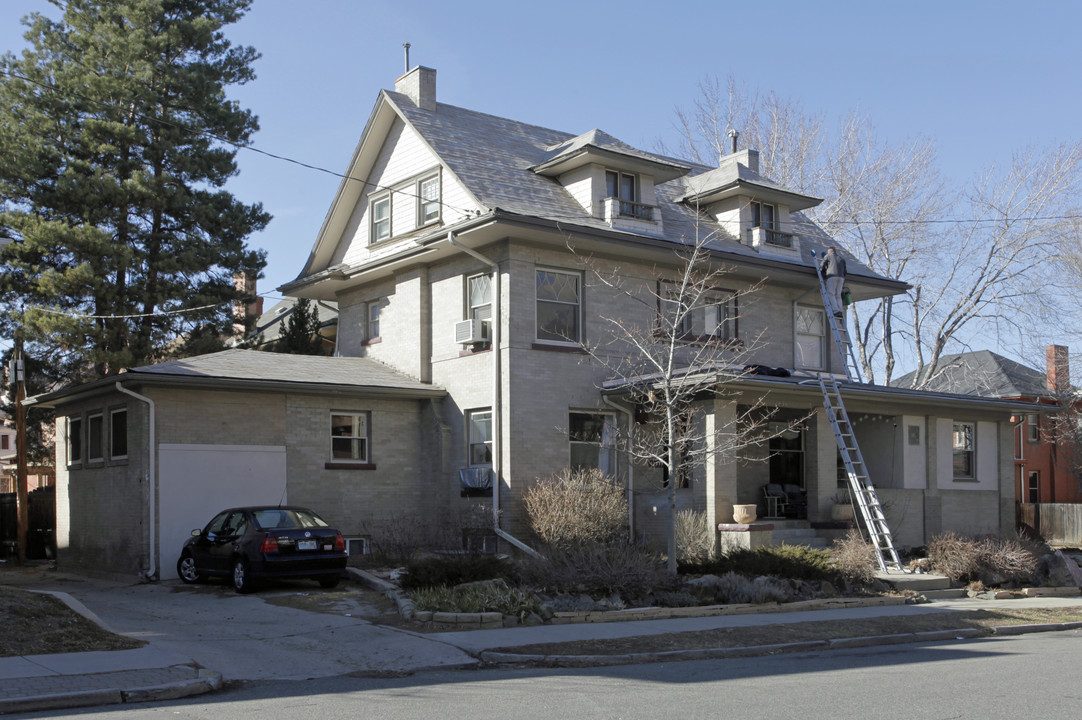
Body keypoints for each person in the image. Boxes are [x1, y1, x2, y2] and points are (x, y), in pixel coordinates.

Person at [820, 246, 847, 318]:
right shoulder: (841, 258)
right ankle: (840, 310)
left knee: (831, 293)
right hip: (841, 278)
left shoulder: (828, 256)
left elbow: (823, 265)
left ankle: (835, 311)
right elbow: (845, 271)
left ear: (830, 252)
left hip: (832, 276)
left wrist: (822, 273)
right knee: (838, 295)